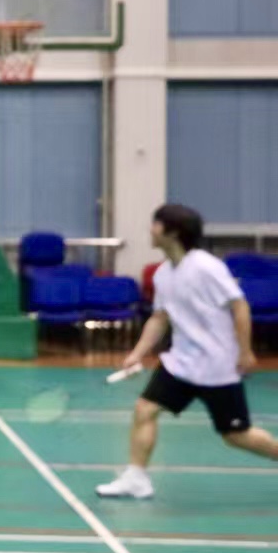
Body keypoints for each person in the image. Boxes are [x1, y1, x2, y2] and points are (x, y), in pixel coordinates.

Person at [97, 204, 278, 500]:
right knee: (145, 409)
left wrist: (245, 351)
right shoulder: (163, 273)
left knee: (236, 436)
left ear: (173, 232)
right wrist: (138, 353)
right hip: (180, 362)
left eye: (156, 224)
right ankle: (136, 478)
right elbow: (160, 318)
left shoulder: (206, 267)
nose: (150, 230)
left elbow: (239, 306)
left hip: (217, 365)